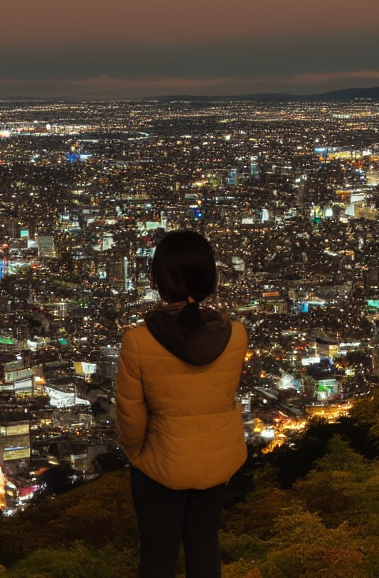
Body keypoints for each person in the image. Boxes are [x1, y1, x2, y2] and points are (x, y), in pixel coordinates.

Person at [116, 230, 248, 578]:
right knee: (205, 547)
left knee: (158, 559)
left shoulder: (138, 340)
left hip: (159, 464)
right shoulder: (235, 334)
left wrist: (139, 456)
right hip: (217, 461)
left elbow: (130, 416)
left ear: (159, 280)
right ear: (209, 278)